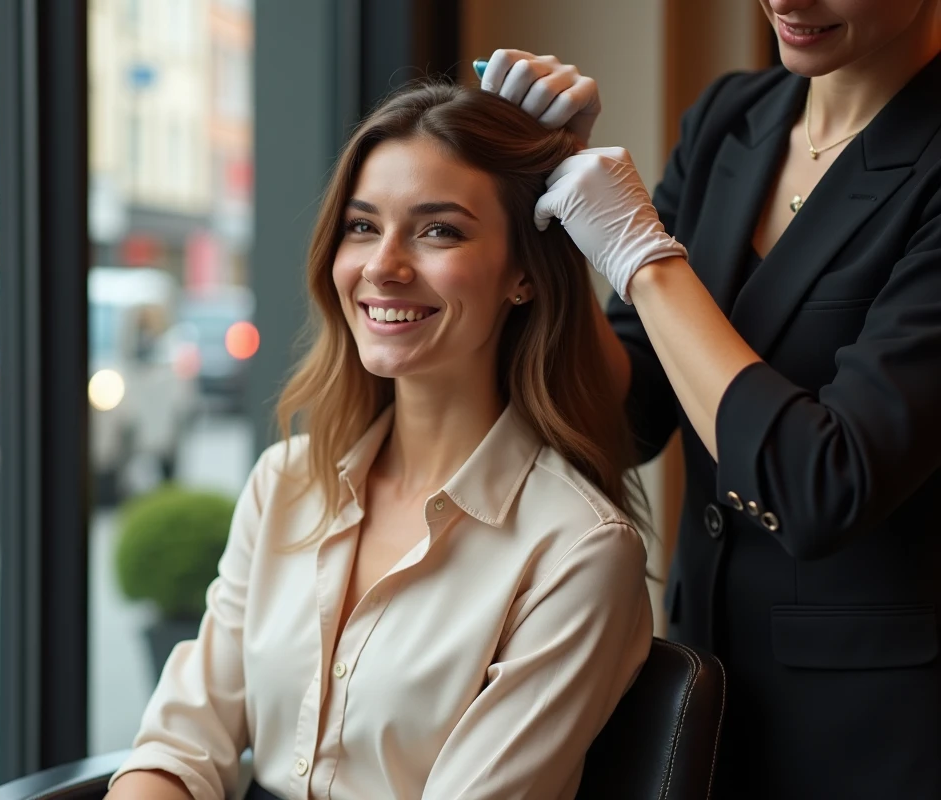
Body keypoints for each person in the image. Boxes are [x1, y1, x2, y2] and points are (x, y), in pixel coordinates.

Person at [105, 81, 654, 800]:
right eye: (363, 227)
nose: (383, 266)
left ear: (522, 275)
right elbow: (178, 748)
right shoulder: (286, 483)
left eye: (438, 231)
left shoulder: (578, 550)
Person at [480, 0, 941, 796]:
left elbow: (823, 484)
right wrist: (550, 188)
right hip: (703, 692)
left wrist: (643, 257)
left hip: (878, 731)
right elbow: (627, 416)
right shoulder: (731, 120)